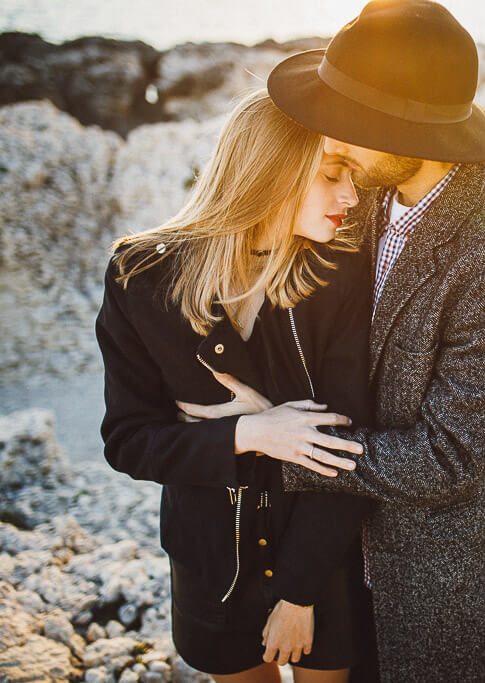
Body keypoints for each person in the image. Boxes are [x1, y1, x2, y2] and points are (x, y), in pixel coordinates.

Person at [179, 1, 485, 680]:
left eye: (351, 120)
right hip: (326, 563)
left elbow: (449, 458)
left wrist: (283, 446)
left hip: (429, 586)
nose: (330, 133)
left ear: (411, 132)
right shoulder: (359, 200)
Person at [95, 89, 376, 683]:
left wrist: (300, 593)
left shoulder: (339, 272)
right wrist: (251, 433)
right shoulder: (140, 278)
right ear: (270, 172)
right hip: (209, 562)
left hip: (319, 554)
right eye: (332, 175)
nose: (351, 196)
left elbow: (348, 446)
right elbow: (128, 441)